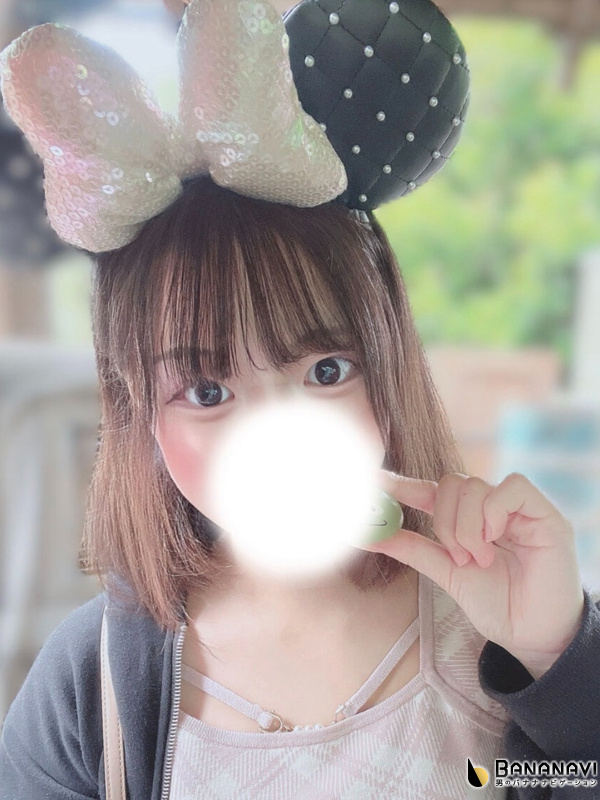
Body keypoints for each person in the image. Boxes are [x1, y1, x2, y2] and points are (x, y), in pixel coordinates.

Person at [1, 1, 599, 798]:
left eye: (326, 371)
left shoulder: (502, 641)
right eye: (208, 389)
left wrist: (562, 663)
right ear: (139, 411)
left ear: (388, 366)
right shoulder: (93, 686)